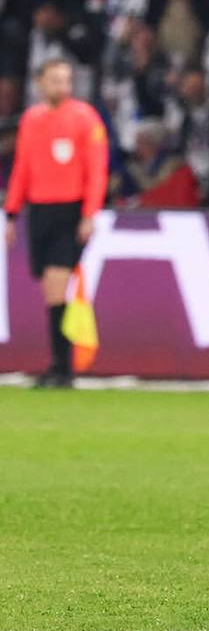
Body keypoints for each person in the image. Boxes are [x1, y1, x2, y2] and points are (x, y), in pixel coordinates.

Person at [4, 58, 108, 386]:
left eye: (66, 80)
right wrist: (11, 213)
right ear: (40, 83)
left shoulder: (84, 118)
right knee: (49, 289)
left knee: (57, 284)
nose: (62, 87)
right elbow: (22, 168)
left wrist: (89, 214)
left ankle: (63, 367)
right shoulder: (31, 119)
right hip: (39, 211)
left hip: (69, 210)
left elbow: (97, 171)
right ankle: (59, 366)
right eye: (55, 80)